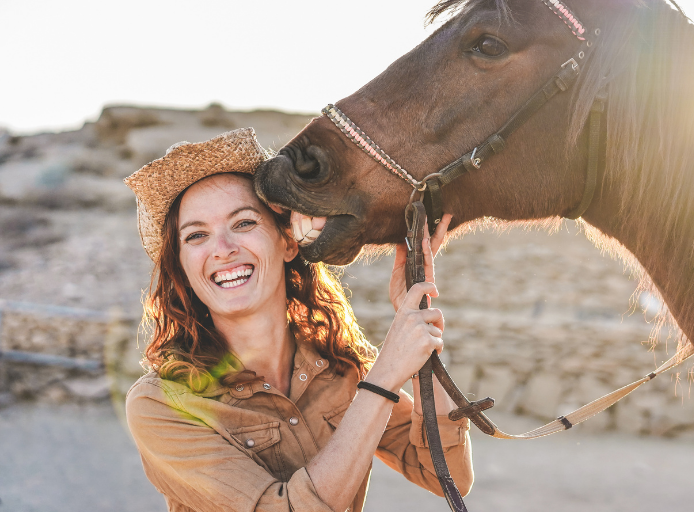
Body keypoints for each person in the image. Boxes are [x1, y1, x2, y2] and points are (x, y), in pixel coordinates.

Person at [123, 128, 471, 512]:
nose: (223, 250)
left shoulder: (340, 369)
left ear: (287, 242)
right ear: (182, 269)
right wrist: (385, 375)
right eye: (196, 236)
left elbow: (448, 476)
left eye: (243, 223)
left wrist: (419, 318)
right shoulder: (163, 404)